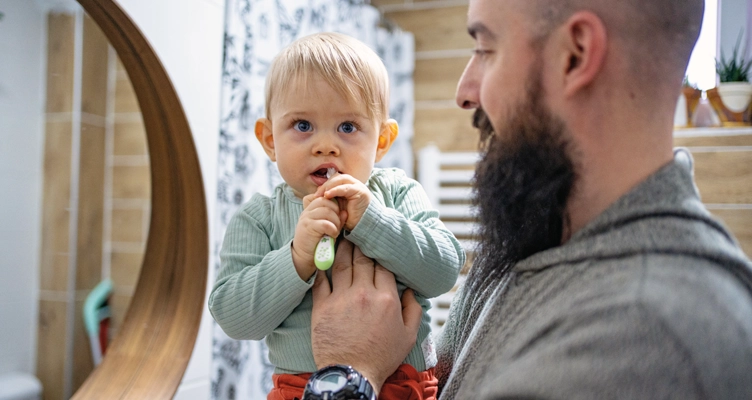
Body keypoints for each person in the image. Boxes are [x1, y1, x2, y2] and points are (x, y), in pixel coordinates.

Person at [307, 0, 752, 399]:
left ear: (574, 55)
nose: (463, 92)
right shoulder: (538, 230)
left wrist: (347, 374)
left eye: (485, 49)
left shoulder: (646, 336)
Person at [208, 32, 465, 400]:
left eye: (347, 127)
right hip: (301, 390)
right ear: (268, 140)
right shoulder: (259, 218)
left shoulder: (395, 192)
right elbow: (231, 317)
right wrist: (296, 257)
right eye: (302, 125)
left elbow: (444, 271)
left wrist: (372, 220)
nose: (325, 144)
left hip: (410, 384)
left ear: (380, 141)